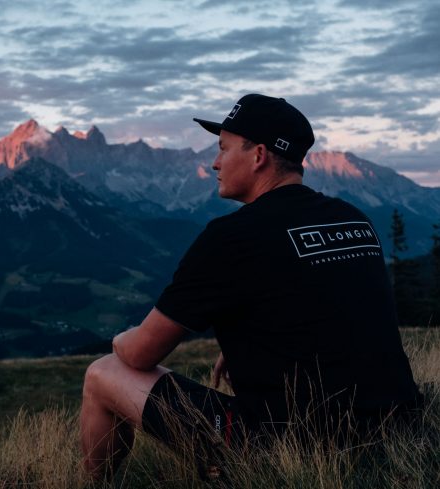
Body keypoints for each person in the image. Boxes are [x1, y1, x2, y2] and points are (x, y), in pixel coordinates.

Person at [79, 94, 421, 481]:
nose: (215, 162)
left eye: (223, 149)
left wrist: (121, 338)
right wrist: (242, 347)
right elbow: (330, 306)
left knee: (103, 372)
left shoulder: (232, 236)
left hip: (290, 451)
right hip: (397, 430)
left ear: (258, 155)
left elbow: (141, 354)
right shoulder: (353, 218)